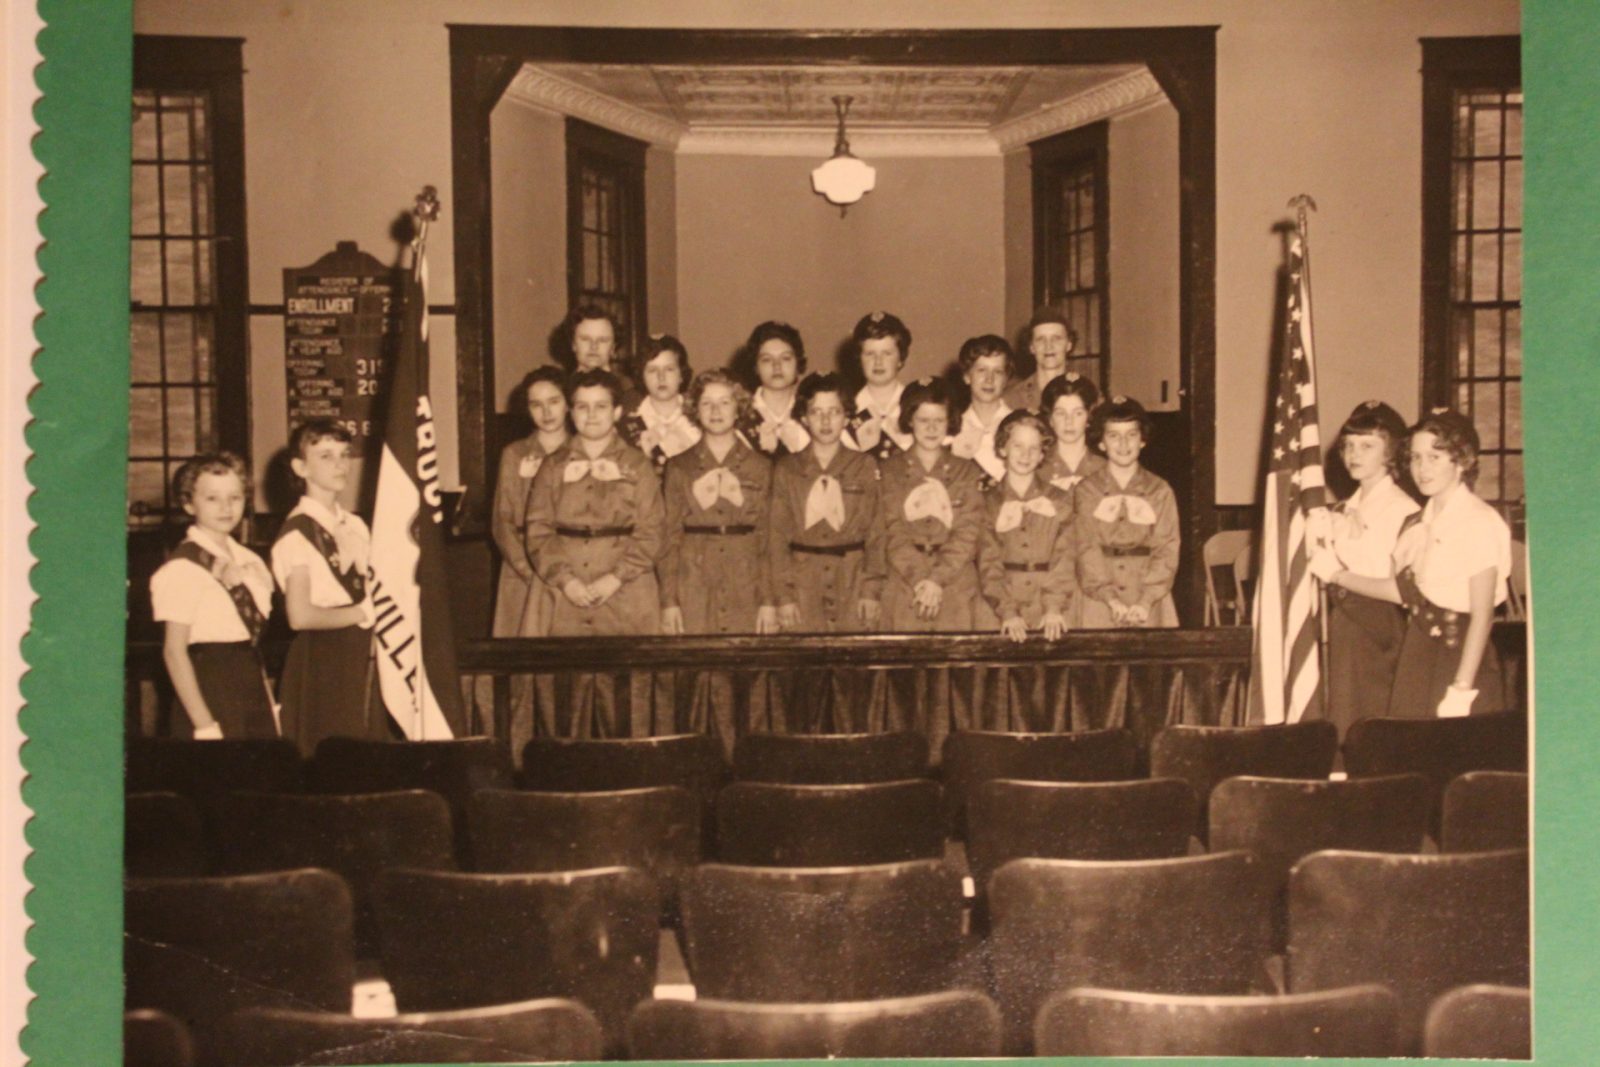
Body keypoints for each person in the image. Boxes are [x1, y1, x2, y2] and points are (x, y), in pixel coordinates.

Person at [1313, 409, 1512, 718]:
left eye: (1434, 457)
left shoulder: (1478, 520)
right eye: (1416, 458)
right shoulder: (1419, 523)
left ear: (1461, 461)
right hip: (1418, 652)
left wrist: (1461, 688)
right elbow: (1401, 590)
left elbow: (1482, 615)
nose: (1422, 468)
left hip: (1459, 654)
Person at [526, 369, 667, 734]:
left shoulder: (638, 465)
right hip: (564, 596)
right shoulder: (552, 466)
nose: (591, 415)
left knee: (628, 698)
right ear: (571, 412)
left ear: (617, 412)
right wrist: (566, 581)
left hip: (626, 594)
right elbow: (538, 530)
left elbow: (652, 532)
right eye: (582, 407)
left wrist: (615, 579)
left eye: (601, 407)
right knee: (564, 698)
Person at [767, 372, 886, 731]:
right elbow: (776, 537)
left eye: (834, 411)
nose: (825, 420)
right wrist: (784, 596)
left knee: (853, 682)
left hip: (852, 580)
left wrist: (871, 590)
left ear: (847, 416)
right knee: (804, 683)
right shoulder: (787, 468)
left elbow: (877, 532)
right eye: (816, 412)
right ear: (803, 417)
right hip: (803, 582)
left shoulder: (864, 466)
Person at [271, 419, 383, 755]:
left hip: (362, 650)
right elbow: (300, 616)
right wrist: (362, 612)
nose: (340, 464)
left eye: (344, 454)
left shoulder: (355, 524)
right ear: (300, 467)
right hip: (323, 657)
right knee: (332, 753)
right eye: (326, 456)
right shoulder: (296, 534)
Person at [1307, 401, 1419, 733]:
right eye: (1349, 445)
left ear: (1391, 453)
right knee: (1338, 714)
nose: (1354, 454)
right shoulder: (1344, 508)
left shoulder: (1401, 509)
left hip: (1375, 626)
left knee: (1364, 717)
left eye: (1367, 446)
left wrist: (1336, 572)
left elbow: (1394, 585)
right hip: (1342, 623)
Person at [150, 453, 278, 739]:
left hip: (251, 684)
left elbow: (251, 643)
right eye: (212, 498)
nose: (226, 507)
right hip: (208, 684)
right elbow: (174, 652)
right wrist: (204, 724)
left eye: (235, 497)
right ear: (188, 503)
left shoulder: (250, 561)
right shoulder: (183, 567)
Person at [487, 366, 569, 753]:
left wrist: (559, 571)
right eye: (537, 405)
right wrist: (529, 569)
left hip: (568, 573)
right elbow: (502, 520)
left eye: (554, 402)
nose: (546, 412)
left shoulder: (582, 450)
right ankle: (518, 755)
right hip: (521, 575)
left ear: (568, 404)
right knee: (519, 672)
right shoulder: (515, 454)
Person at [660, 369, 777, 636]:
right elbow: (669, 539)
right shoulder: (679, 466)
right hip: (694, 580)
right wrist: (669, 601)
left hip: (745, 580)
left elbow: (768, 538)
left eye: (724, 402)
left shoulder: (760, 467)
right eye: (706, 403)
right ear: (695, 409)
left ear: (738, 408)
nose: (715, 411)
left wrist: (768, 600)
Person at [878, 377, 985, 632]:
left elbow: (968, 532)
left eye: (939, 420)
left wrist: (936, 580)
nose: (931, 428)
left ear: (950, 422)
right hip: (904, 583)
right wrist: (919, 580)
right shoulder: (890, 471)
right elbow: (891, 530)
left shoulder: (966, 471)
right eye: (923, 420)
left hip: (955, 584)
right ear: (909, 420)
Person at [1073, 395, 1180, 628]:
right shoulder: (1087, 491)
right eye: (1113, 435)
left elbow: (1167, 548)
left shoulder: (1159, 490)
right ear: (1101, 443)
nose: (1123, 444)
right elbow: (1086, 547)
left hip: (1148, 599)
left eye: (1131, 434)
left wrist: (1146, 601)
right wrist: (1109, 598)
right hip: (1099, 600)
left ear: (1142, 440)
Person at [978, 410, 1075, 643]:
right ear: (1003, 448)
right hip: (999, 608)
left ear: (1042, 454)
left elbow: (1066, 557)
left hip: (1051, 609)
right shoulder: (986, 503)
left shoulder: (1060, 500)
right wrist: (1008, 611)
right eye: (1018, 446)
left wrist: (1053, 607)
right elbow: (988, 563)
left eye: (1034, 448)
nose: (1025, 455)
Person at [619, 333, 701, 471]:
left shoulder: (699, 418)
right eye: (652, 370)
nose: (661, 377)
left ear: (681, 375)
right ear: (642, 376)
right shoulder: (629, 423)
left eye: (669, 369)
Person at [845, 310, 914, 461]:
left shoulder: (917, 406)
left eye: (887, 353)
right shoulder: (847, 411)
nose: (878, 362)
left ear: (901, 359)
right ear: (859, 359)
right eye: (870, 354)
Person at [737, 320, 811, 458]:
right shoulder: (740, 416)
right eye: (767, 359)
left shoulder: (812, 412)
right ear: (756, 366)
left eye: (785, 358)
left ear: (798, 363)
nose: (777, 366)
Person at [951, 334, 1017, 484]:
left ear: (1006, 379)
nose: (989, 379)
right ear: (967, 376)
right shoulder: (953, 429)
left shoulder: (1019, 425)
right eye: (982, 370)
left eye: (998, 372)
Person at [1037, 372, 1106, 493]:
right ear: (1050, 419)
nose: (1069, 421)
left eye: (1078, 413)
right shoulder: (1037, 467)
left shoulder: (1104, 468)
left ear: (1089, 417)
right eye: (1060, 413)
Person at [1004, 307, 1078, 413]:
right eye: (1040, 339)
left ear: (1069, 344)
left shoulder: (1086, 393)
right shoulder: (1012, 399)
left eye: (1056, 338)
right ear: (1031, 347)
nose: (1048, 346)